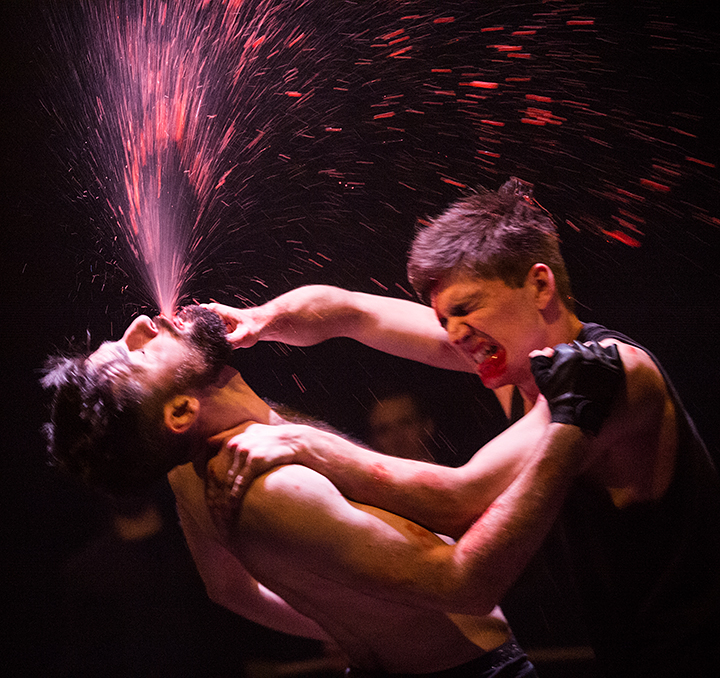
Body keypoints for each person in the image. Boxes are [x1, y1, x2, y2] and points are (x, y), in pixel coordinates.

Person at [203, 178, 720, 677]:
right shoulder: (514, 362)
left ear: (539, 285)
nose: (453, 335)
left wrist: (301, 441)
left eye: (465, 309)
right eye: (443, 319)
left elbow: (461, 499)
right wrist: (258, 320)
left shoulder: (611, 374)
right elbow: (350, 311)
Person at [43, 304, 609, 677]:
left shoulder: (188, 473)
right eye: (137, 354)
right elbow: (467, 584)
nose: (142, 322)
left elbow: (228, 589)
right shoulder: (272, 485)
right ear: (181, 412)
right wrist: (569, 416)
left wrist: (362, 622)